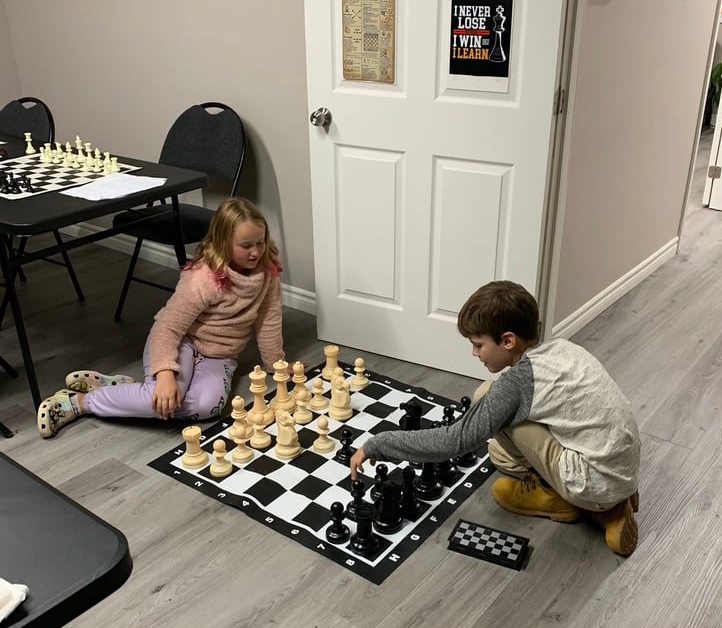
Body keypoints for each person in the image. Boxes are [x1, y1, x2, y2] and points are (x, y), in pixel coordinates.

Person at [350, 281, 641, 555]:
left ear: (508, 340)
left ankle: (594, 507)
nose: (474, 353)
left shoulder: (517, 384)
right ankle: (607, 496)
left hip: (593, 481)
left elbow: (457, 439)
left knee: (491, 407)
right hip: (621, 464)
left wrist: (378, 444)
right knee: (494, 435)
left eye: (478, 344)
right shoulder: (561, 349)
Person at [37, 198, 292, 439]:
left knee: (207, 408)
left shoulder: (267, 271)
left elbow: (268, 320)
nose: (256, 252)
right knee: (164, 396)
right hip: (180, 342)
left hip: (219, 355)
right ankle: (78, 403)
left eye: (260, 242)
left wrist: (276, 365)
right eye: (246, 245)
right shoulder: (202, 278)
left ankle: (121, 389)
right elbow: (168, 327)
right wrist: (166, 373)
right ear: (223, 242)